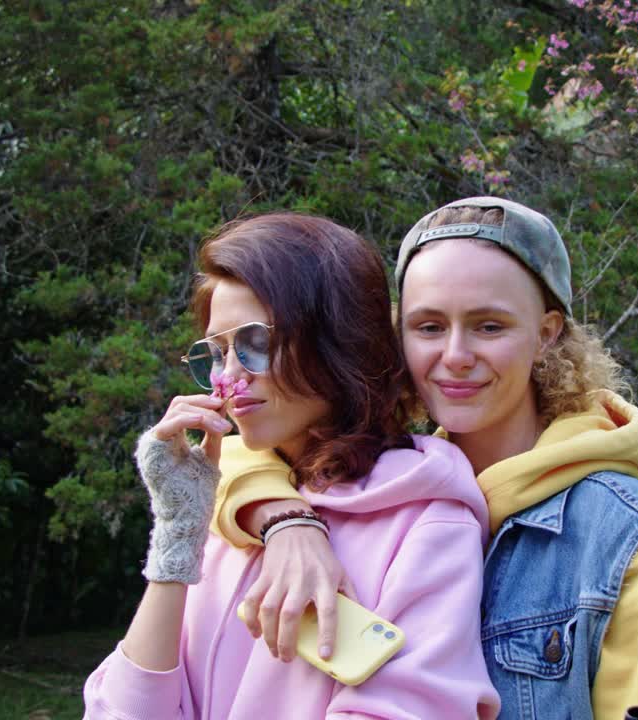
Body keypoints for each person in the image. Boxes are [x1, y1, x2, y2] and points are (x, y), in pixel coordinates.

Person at [217, 198, 638, 719]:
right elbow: (241, 454)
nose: (455, 356)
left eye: (489, 326)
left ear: (545, 335)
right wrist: (287, 522)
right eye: (429, 327)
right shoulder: (396, 487)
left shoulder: (628, 540)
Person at [83, 213, 500, 720]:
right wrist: (176, 538)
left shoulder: (428, 521)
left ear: (339, 340)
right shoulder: (225, 507)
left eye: (256, 344)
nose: (229, 378)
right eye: (215, 353)